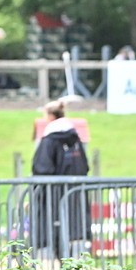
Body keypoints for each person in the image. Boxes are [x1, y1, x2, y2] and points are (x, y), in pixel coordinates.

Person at [30, 100, 90, 261]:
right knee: (70, 231)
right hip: (74, 195)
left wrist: (35, 191)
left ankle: (62, 263)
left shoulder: (50, 139)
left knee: (54, 229)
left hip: (52, 197)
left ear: (50, 116)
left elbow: (42, 168)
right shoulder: (75, 139)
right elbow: (85, 166)